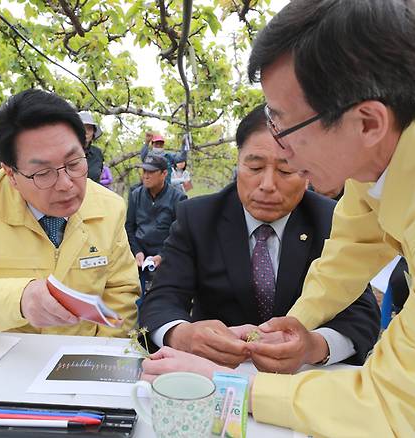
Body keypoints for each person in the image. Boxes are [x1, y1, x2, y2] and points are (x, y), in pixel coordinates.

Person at [141, 0, 415, 436]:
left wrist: (228, 386)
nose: (280, 154)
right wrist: (299, 320)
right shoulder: (399, 126)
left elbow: (392, 403)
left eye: (284, 128)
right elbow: (353, 244)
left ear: (367, 123)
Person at [140, 105, 379, 371]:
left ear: (307, 173)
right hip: (214, 376)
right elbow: (162, 298)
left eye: (286, 171)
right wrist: (182, 335)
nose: (267, 184)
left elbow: (361, 312)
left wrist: (313, 346)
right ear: (238, 163)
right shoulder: (198, 217)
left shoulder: (333, 220)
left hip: (304, 380)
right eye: (254, 167)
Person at [0, 89, 140, 338]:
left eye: (74, 163)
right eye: (43, 173)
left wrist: (99, 355)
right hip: (6, 365)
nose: (65, 183)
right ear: (10, 174)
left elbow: (121, 292)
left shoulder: (109, 207)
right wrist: (19, 299)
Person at [125, 154, 186, 289]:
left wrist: (162, 255)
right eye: (144, 171)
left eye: (151, 172)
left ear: (164, 173)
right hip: (140, 258)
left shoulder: (178, 198)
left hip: (166, 257)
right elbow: (129, 227)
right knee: (135, 301)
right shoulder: (136, 195)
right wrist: (136, 252)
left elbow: (180, 234)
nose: (146, 176)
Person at [78, 111, 104, 183]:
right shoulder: (66, 151)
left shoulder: (98, 153)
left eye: (89, 128)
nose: (86, 132)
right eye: (82, 128)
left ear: (93, 132)